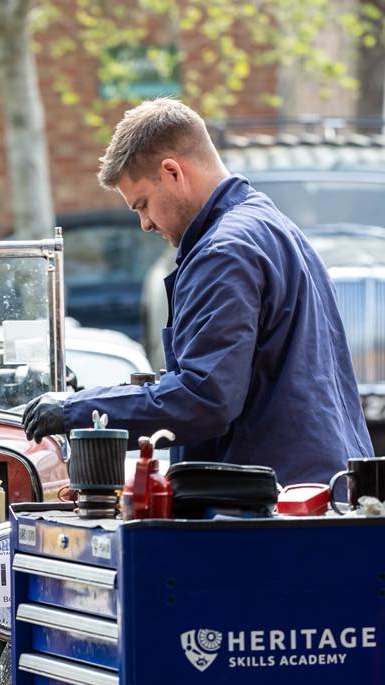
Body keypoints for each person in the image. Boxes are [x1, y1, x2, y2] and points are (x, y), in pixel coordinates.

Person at [23, 98, 372, 486]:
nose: (144, 224)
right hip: (323, 484)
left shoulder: (224, 252)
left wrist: (73, 411)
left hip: (271, 498)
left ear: (172, 172)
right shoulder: (274, 228)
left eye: (142, 204)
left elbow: (204, 398)